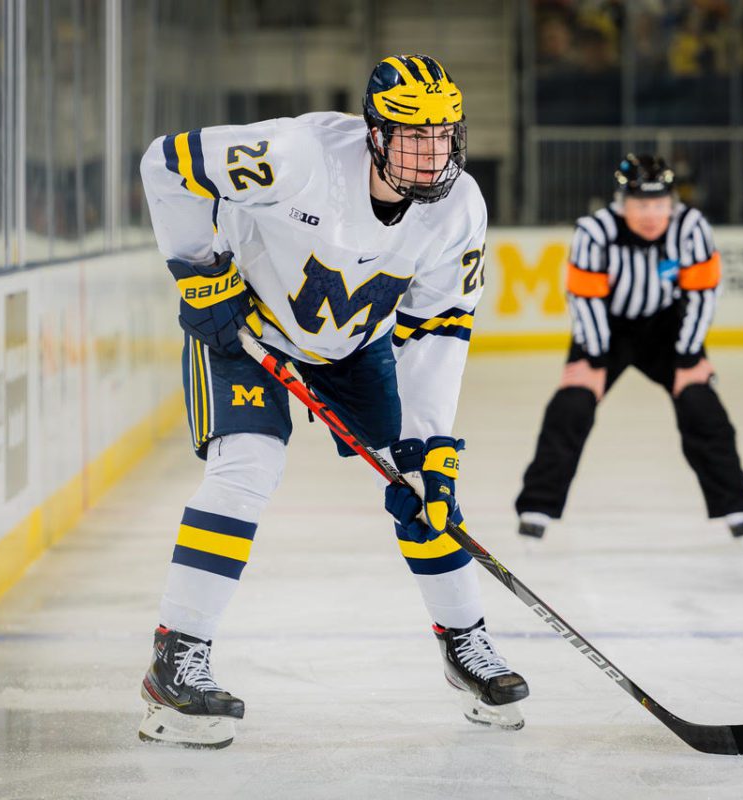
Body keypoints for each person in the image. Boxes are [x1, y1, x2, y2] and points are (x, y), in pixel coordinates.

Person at [136, 54, 528, 749]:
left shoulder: (459, 206)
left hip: (356, 346)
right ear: (376, 134)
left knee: (423, 485)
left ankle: (463, 639)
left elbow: (439, 329)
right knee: (247, 467)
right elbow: (166, 165)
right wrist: (198, 273)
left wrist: (429, 444)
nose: (433, 153)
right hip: (246, 330)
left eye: (444, 135)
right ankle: (177, 654)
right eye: (415, 136)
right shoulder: (295, 156)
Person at [514, 153, 743, 541]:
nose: (651, 214)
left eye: (659, 204)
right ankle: (537, 508)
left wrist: (688, 358)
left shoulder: (691, 227)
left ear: (671, 202)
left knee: (700, 403)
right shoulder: (595, 230)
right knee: (572, 405)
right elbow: (584, 298)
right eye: (641, 204)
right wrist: (594, 359)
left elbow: (703, 294)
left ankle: (736, 507)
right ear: (622, 203)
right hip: (607, 328)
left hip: (666, 328)